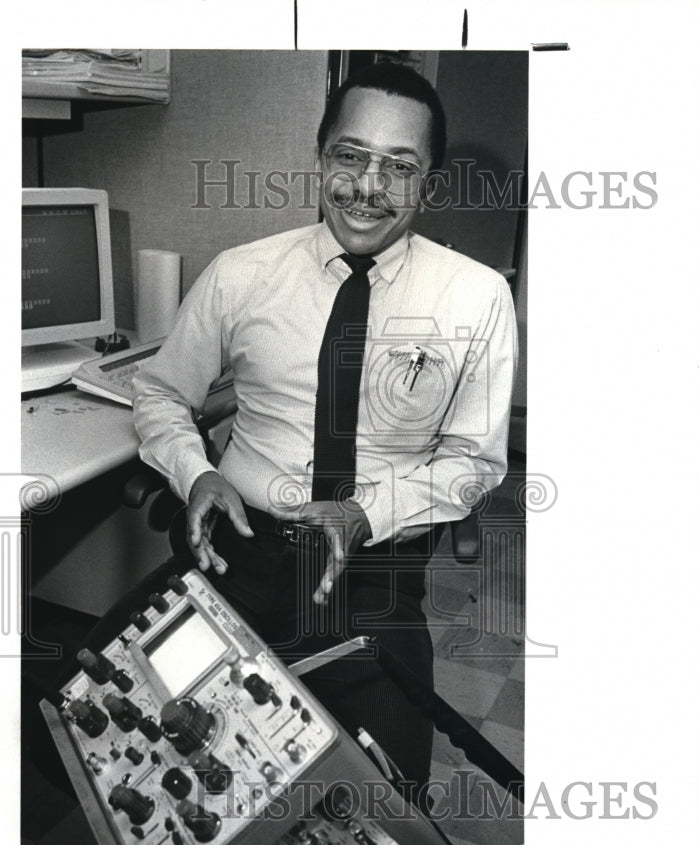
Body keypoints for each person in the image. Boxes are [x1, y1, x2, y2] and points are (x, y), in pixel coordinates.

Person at [132, 62, 518, 804]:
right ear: (319, 158)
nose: (368, 186)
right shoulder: (239, 275)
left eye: (398, 167)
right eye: (350, 156)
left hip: (371, 577)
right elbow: (158, 393)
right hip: (233, 559)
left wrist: (363, 513)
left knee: (384, 809)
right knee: (139, 756)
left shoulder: (476, 298)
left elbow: (473, 462)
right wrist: (196, 473)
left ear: (428, 183)